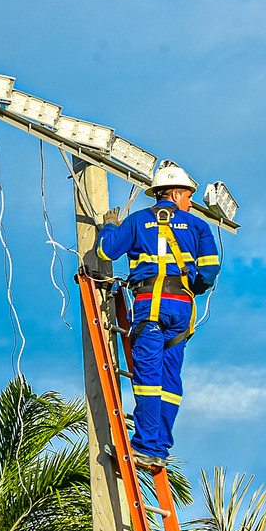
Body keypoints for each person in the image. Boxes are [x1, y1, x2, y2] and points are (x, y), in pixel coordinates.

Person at [95, 160, 220, 468]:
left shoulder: (138, 221)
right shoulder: (199, 227)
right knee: (169, 380)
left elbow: (105, 252)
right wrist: (195, 286)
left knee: (148, 379)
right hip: (181, 311)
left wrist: (110, 226)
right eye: (188, 195)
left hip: (151, 305)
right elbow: (209, 272)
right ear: (175, 193)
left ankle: (147, 446)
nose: (190, 202)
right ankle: (160, 446)